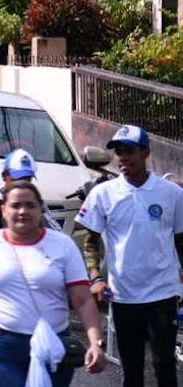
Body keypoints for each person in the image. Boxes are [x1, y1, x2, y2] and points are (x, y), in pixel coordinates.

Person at [0, 180, 106, 387]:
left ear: (41, 209)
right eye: (15, 205)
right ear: (3, 210)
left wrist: (96, 343)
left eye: (30, 205)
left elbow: (83, 300)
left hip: (54, 346)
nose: (23, 211)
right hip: (0, 347)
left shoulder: (63, 246)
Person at [75, 124, 183, 387]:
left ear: (145, 152)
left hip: (163, 292)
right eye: (118, 151)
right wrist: (96, 278)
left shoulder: (172, 194)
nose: (122, 157)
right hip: (124, 294)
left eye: (129, 151)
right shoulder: (103, 194)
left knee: (164, 366)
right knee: (132, 370)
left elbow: (181, 240)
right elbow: (89, 241)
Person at [0, 148, 60, 239]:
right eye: (17, 179)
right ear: (4, 176)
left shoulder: (37, 204)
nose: (22, 184)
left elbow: (56, 233)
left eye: (27, 180)